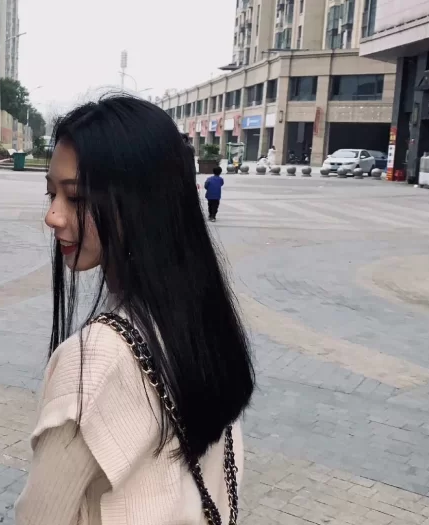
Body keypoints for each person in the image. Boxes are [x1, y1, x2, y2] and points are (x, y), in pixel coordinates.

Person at [16, 96, 255, 525]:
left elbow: (40, 518)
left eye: (75, 197)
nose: (52, 216)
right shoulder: (203, 321)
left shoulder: (98, 359)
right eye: (51, 193)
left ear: (142, 205)